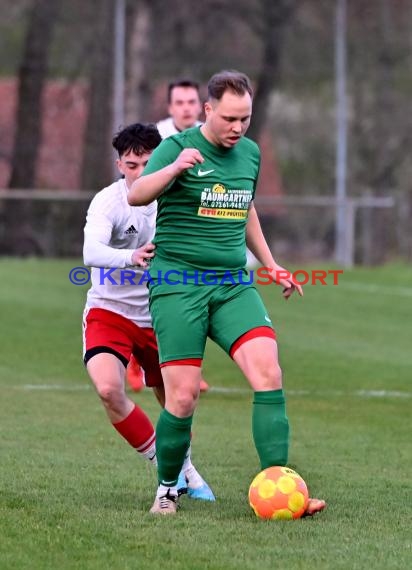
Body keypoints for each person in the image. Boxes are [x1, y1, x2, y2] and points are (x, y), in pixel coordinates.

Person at [127, 70, 326, 516]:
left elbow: (245, 206)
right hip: (178, 285)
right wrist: (175, 169)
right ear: (208, 110)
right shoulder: (175, 148)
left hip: (232, 285)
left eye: (246, 119)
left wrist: (271, 264)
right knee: (182, 397)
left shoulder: (249, 154)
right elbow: (138, 194)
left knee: (269, 375)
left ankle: (282, 486)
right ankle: (166, 489)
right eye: (231, 119)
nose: (238, 128)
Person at [82, 122, 215, 501]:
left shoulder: (179, 197)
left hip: (164, 310)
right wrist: (131, 256)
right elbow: (91, 253)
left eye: (146, 163)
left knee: (175, 398)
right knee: (108, 388)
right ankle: (166, 463)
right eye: (131, 163)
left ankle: (185, 467)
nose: (138, 171)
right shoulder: (108, 202)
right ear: (119, 164)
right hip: (111, 311)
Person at [127, 79, 209, 393]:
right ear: (169, 107)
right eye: (180, 102)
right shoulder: (157, 137)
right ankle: (137, 362)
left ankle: (186, 367)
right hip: (155, 224)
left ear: (201, 106)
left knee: (197, 301)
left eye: (191, 102)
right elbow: (135, 178)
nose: (186, 108)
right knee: (159, 298)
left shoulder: (207, 135)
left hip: (191, 230)